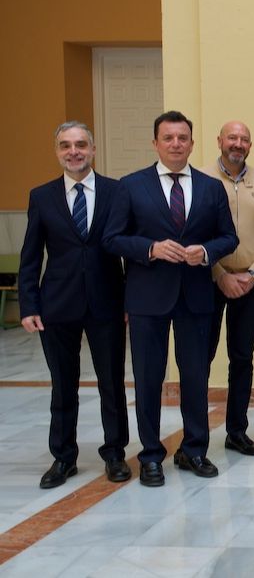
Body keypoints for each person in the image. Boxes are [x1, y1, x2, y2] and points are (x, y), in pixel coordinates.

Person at [103, 110, 238, 487]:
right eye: (168, 138)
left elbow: (229, 237)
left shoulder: (211, 188)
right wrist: (150, 248)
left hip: (195, 296)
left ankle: (194, 449)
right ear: (156, 143)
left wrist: (206, 252)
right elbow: (112, 238)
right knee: (148, 379)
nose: (176, 144)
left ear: (192, 144)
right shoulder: (130, 186)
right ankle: (150, 456)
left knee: (196, 376)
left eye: (182, 138)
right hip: (147, 298)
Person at [19, 121, 130, 488]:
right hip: (57, 306)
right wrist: (28, 304)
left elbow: (127, 250)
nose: (74, 151)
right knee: (62, 385)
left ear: (93, 150)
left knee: (112, 383)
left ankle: (114, 453)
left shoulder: (117, 192)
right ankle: (63, 457)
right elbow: (31, 255)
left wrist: (130, 300)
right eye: (66, 145)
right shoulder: (42, 196)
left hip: (107, 303)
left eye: (81, 144)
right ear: (57, 152)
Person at [201, 121, 254, 458]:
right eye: (232, 137)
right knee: (201, 357)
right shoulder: (201, 180)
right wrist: (219, 274)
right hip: (208, 281)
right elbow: (195, 236)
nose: (237, 143)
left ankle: (236, 431)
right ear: (219, 141)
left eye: (244, 138)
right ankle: (196, 434)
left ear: (250, 145)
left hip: (249, 283)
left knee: (242, 358)